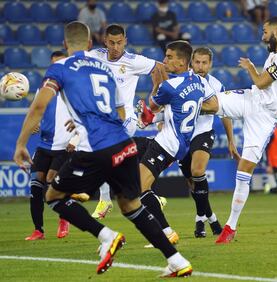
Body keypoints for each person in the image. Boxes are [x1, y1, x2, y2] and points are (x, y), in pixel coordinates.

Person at [13, 21, 192, 277]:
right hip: (123, 143)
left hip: (96, 148)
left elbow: (40, 106)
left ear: (65, 45)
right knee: (131, 206)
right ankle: (177, 260)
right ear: (90, 44)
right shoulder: (103, 68)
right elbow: (119, 111)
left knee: (52, 196)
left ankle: (106, 236)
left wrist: (20, 143)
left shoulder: (59, 68)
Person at [201, 16, 277, 244]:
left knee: (244, 170)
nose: (262, 36)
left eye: (265, 32)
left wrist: (249, 67)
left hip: (265, 117)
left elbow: (261, 82)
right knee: (208, 104)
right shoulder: (275, 54)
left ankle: (230, 226)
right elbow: (258, 88)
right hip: (250, 99)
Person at [138, 40, 211, 247]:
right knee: (130, 153)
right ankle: (156, 205)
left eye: (169, 57)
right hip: (180, 143)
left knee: (140, 187)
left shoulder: (169, 86)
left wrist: (156, 85)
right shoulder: (198, 82)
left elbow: (150, 109)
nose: (164, 60)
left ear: (181, 61)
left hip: (167, 143)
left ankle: (166, 232)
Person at [88, 24, 165, 219]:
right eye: (112, 43)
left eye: (119, 43)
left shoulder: (134, 61)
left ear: (125, 42)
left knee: (104, 152)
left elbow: (161, 68)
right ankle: (154, 198)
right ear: (105, 41)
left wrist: (157, 94)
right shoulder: (94, 56)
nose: (115, 47)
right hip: (102, 119)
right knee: (114, 161)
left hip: (126, 118)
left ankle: (105, 200)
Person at [178, 47, 239, 238]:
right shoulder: (181, 81)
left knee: (197, 172)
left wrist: (231, 140)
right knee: (192, 183)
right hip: (182, 136)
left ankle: (203, 220)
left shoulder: (216, 85)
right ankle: (207, 218)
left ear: (210, 64)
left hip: (203, 133)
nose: (200, 66)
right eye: (197, 62)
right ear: (191, 62)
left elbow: (225, 113)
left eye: (205, 63)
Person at [24, 51, 71, 241]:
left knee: (53, 181)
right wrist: (34, 124)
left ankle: (64, 218)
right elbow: (36, 112)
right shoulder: (43, 90)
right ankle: (38, 230)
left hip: (63, 146)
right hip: (44, 145)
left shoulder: (73, 88)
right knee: (35, 185)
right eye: (54, 64)